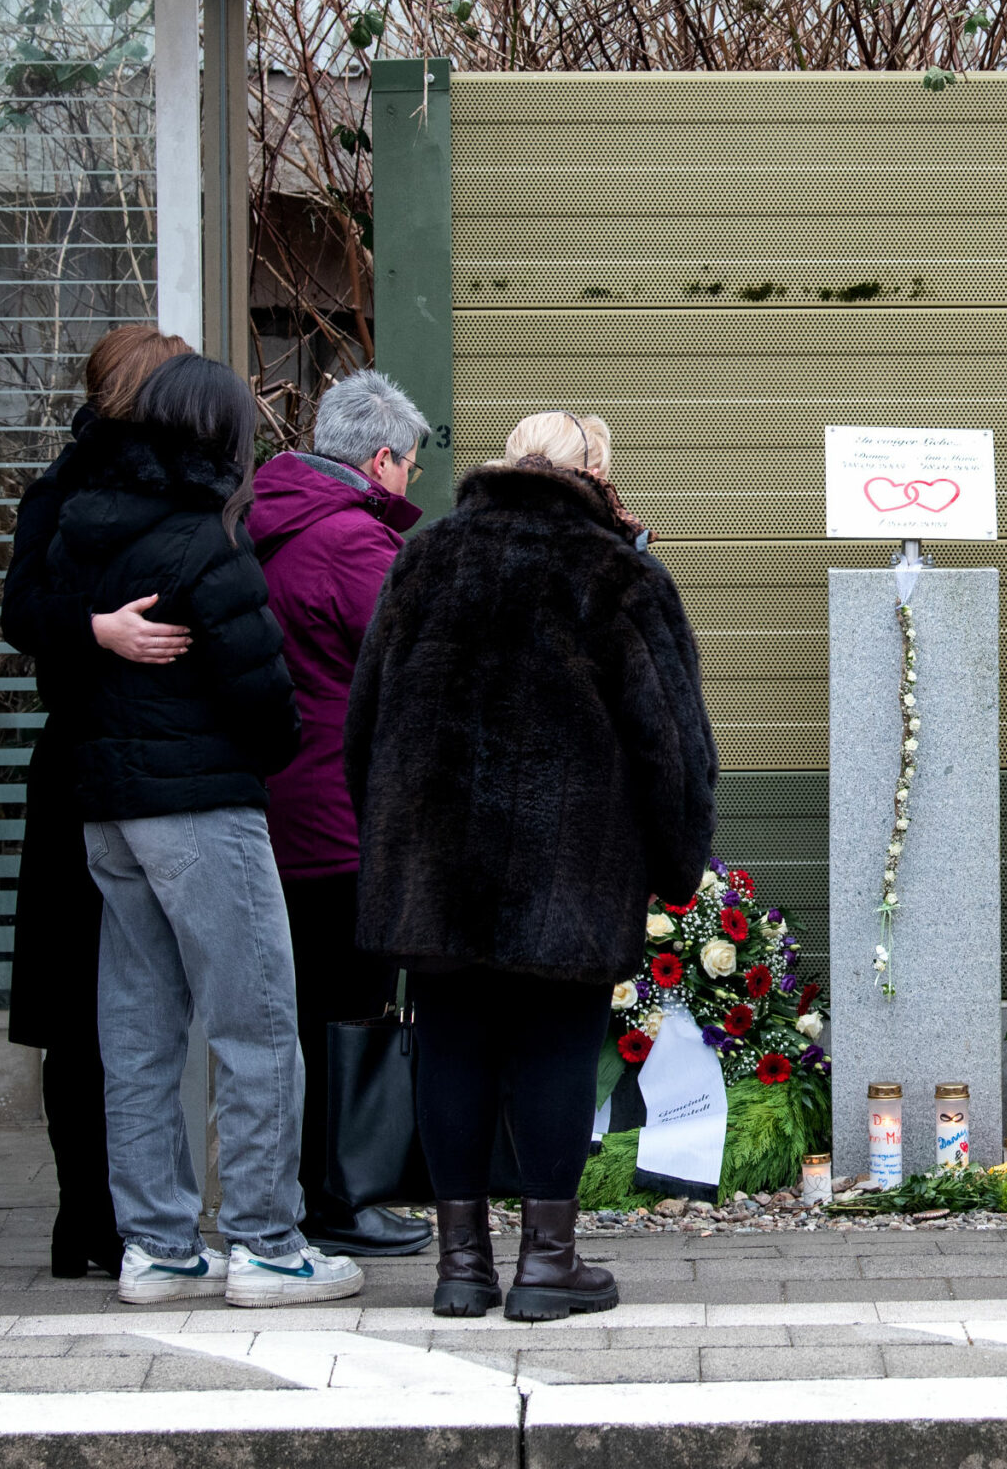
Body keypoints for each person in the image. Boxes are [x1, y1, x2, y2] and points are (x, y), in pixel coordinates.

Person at [347, 410, 716, 1323]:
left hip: (432, 856)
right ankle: (548, 1265)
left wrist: (389, 832)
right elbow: (672, 743)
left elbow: (367, 718)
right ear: (595, 473)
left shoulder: (424, 559)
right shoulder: (620, 573)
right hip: (571, 861)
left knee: (453, 1044)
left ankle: (460, 1267)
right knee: (556, 1045)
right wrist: (677, 864)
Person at [48, 352, 358, 1308]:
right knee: (257, 1022)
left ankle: (158, 1248)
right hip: (203, 805)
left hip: (108, 805)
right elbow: (264, 693)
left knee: (137, 1034)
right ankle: (266, 1244)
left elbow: (48, 646)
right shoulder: (206, 541)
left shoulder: (76, 529)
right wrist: (265, 750)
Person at [1, 325, 195, 1280]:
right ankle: (101, 1217)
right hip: (105, 765)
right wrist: (98, 631)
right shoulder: (90, 490)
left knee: (94, 1008)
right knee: (99, 1005)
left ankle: (96, 1219)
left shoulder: (83, 486)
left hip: (92, 762)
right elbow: (21, 616)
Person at [248, 370, 434, 1259]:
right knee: (348, 1009)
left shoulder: (279, 521)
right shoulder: (353, 545)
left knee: (305, 1007)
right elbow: (418, 665)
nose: (415, 484)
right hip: (342, 812)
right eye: (412, 464)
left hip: (288, 803)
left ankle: (308, 1188)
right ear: (383, 457)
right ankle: (342, 1195)